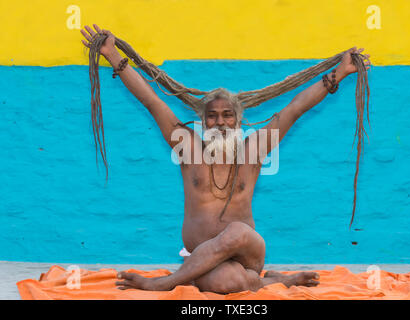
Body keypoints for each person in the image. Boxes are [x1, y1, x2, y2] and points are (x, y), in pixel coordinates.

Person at [81, 24, 370, 293]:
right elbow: (151, 100)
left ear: (239, 120)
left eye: (228, 115)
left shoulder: (253, 151)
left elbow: (294, 109)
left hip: (248, 252)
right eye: (213, 116)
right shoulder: (188, 148)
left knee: (237, 232)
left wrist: (341, 72)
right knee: (232, 281)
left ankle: (163, 283)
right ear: (203, 122)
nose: (220, 122)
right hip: (204, 257)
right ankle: (270, 280)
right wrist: (112, 54)